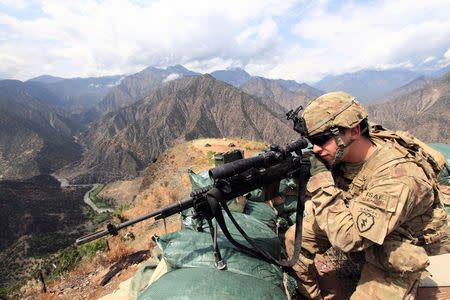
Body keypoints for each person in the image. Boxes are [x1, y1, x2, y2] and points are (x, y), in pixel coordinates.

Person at [284, 91, 450, 299]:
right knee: (295, 238)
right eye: (310, 140)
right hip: (359, 217)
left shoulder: (399, 176)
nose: (315, 149)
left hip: (398, 243)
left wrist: (320, 179)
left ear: (354, 131)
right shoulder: (343, 151)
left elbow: (348, 238)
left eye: (322, 139)